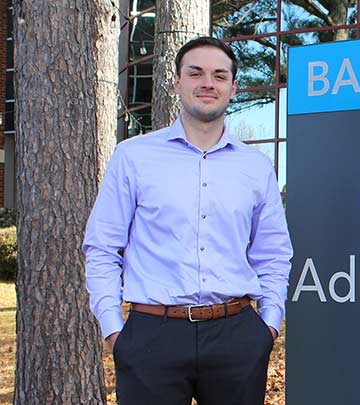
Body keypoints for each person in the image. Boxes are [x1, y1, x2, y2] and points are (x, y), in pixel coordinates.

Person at [83, 36, 293, 404]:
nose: (207, 83)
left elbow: (274, 252)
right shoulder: (133, 157)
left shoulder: (256, 167)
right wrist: (115, 331)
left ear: (233, 87)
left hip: (237, 336)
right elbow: (101, 247)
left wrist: (268, 325)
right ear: (177, 82)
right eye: (195, 73)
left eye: (219, 75)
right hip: (151, 337)